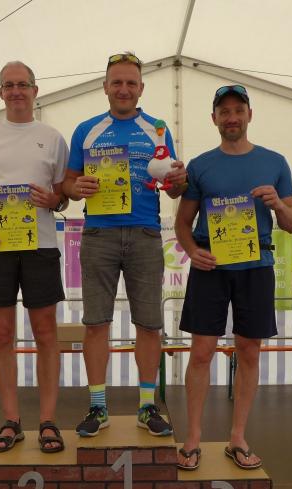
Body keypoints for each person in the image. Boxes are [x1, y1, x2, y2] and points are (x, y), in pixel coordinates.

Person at [61, 52, 187, 438]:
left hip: (146, 234)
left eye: (131, 83)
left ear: (141, 88)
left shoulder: (158, 130)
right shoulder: (86, 130)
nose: (124, 89)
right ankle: (98, 407)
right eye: (116, 82)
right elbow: (66, 184)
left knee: (149, 325)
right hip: (98, 234)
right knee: (95, 324)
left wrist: (178, 180)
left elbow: (173, 188)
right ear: (105, 87)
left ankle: (147, 406)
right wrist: (77, 187)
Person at [174, 84, 292, 470]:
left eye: (238, 110)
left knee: (249, 351)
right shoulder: (200, 166)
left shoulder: (275, 162)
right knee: (201, 353)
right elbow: (182, 223)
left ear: (249, 115)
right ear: (214, 118)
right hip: (210, 267)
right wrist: (192, 251)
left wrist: (278, 204)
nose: (231, 118)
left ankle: (238, 437)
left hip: (256, 267)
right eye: (224, 111)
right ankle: (192, 439)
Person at [0, 61, 70, 452]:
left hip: (41, 246)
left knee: (46, 335)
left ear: (36, 90)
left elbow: (63, 195)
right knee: (2, 335)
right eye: (9, 85)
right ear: (0, 92)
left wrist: (53, 200)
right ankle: (11, 421)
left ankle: (48, 421)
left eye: (23, 84)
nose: (17, 91)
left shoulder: (52, 138)